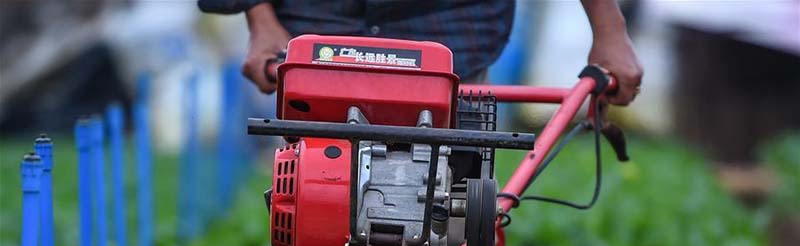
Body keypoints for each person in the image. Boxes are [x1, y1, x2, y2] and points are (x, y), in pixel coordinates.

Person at [198, 0, 643, 105]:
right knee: (322, 191)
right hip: (321, 28)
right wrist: (260, 20)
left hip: (451, 25)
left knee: (460, 199)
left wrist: (608, 28)